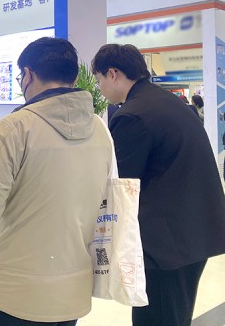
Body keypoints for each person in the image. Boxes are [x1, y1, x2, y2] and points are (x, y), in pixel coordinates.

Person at [0, 37, 113, 325]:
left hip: (12, 294)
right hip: (71, 294)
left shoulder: (14, 127)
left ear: (28, 75)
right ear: (73, 78)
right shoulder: (99, 128)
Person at [92, 43, 225, 326]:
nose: (100, 88)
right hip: (194, 233)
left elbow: (119, 185)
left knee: (158, 318)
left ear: (113, 73)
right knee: (175, 315)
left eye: (99, 79)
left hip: (165, 246)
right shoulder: (171, 103)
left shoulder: (133, 115)